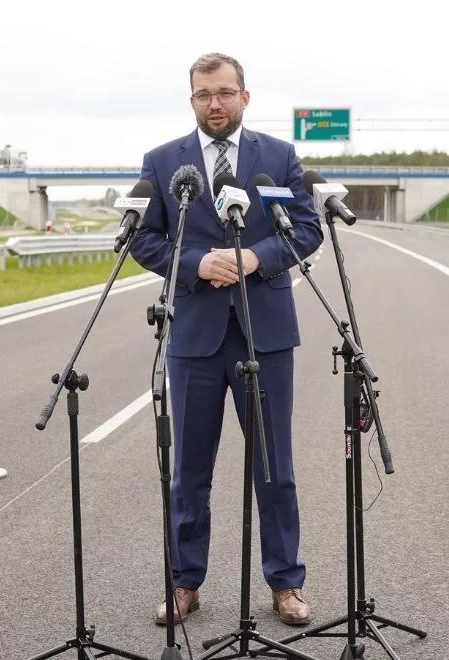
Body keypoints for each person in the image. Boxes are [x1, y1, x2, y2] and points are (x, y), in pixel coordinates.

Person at [129, 53, 324, 627]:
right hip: (195, 338)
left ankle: (285, 584)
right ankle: (184, 583)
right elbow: (144, 239)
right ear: (191, 100)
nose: (215, 104)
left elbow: (306, 230)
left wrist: (254, 257)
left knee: (275, 466)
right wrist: (196, 265)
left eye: (224, 93)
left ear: (244, 95)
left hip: (265, 334)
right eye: (203, 95)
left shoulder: (280, 159)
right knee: (189, 469)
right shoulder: (163, 162)